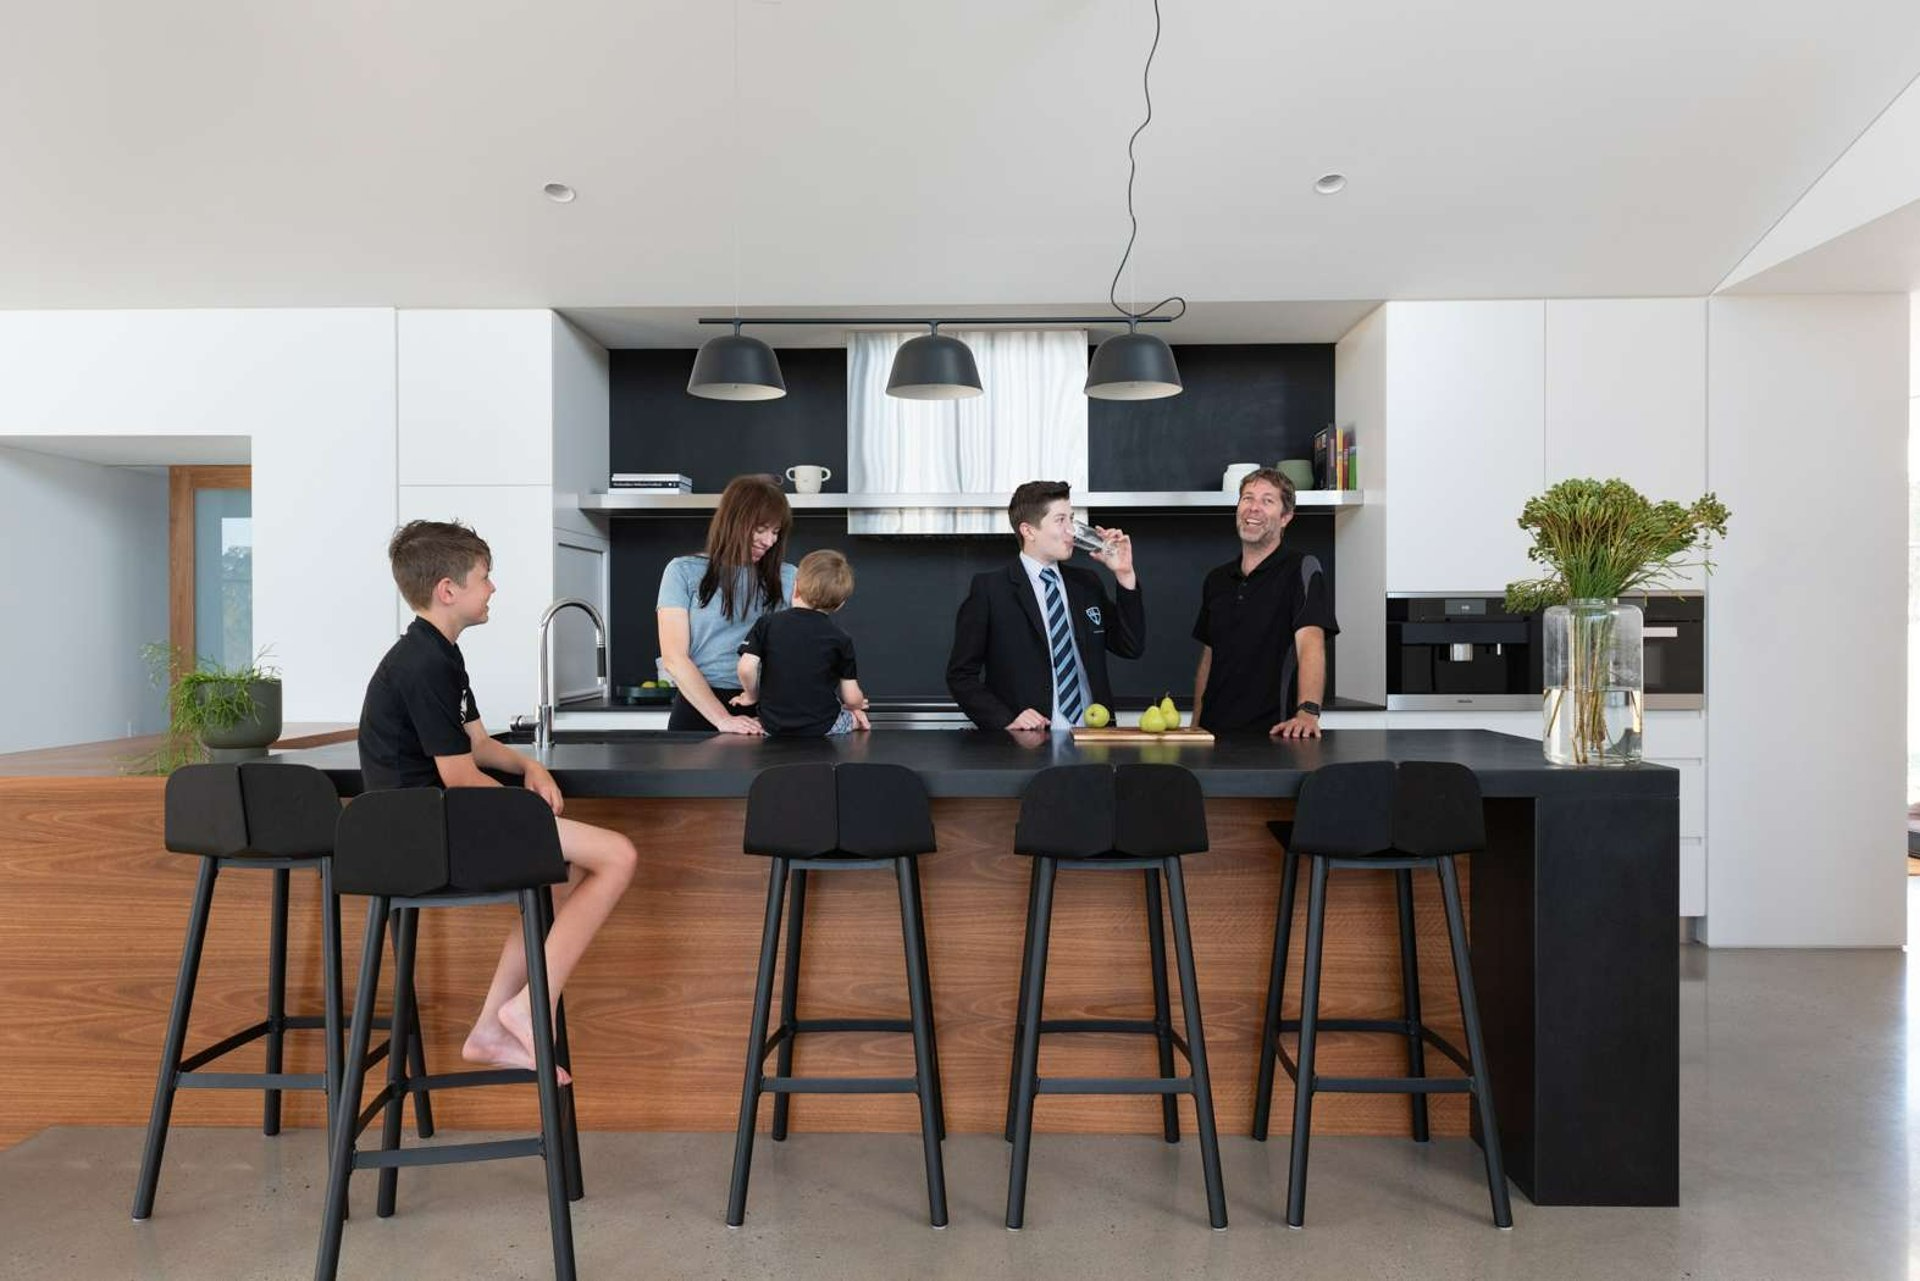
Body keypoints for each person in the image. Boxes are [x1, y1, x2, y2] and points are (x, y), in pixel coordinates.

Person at [358, 519, 637, 1083]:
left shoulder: (439, 652)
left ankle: (491, 1028)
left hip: (434, 823)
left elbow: (478, 744)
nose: (493, 588)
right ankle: (530, 1010)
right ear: (447, 589)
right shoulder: (423, 663)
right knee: (618, 856)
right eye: (485, 577)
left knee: (557, 874)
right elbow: (460, 778)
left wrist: (529, 766)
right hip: (426, 835)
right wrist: (529, 812)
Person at [947, 480, 1142, 730]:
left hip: (1095, 738)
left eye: (1071, 519)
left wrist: (1125, 575)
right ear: (1028, 531)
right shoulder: (991, 590)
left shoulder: (1087, 584)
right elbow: (960, 676)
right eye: (1060, 520)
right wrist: (1006, 720)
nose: (1071, 530)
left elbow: (1131, 646)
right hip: (1028, 745)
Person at [1191, 468, 1339, 738]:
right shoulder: (1217, 579)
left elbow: (1310, 645)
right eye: (1247, 498)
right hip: (1213, 734)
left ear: (1286, 518)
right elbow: (1209, 658)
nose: (1253, 508)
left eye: (1267, 500)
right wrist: (1195, 726)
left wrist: (1307, 712)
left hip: (1274, 734)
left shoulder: (1302, 569)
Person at [656, 475, 797, 733]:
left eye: (776, 532)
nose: (770, 541)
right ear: (735, 521)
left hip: (768, 711)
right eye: (761, 529)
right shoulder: (683, 571)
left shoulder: (790, 578)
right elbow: (674, 658)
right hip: (699, 710)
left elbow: (806, 650)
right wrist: (723, 719)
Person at [735, 549, 872, 737]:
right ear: (840, 604)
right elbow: (850, 695)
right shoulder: (841, 638)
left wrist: (751, 696)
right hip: (822, 726)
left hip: (772, 725)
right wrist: (856, 706)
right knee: (852, 717)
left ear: (796, 587)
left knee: (760, 723)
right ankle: (856, 721)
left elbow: (745, 668)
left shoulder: (767, 623)